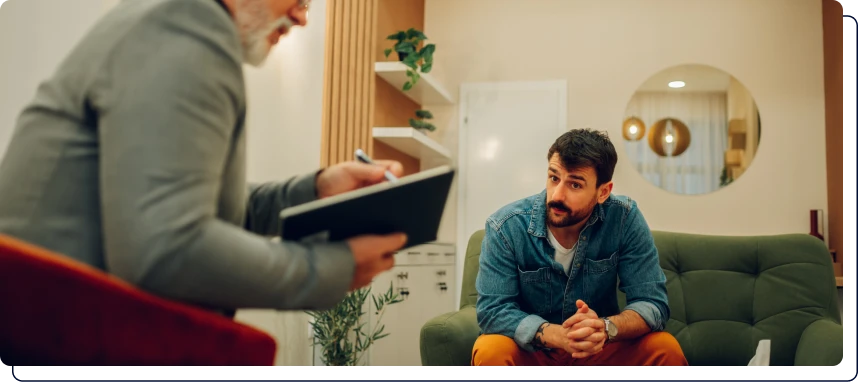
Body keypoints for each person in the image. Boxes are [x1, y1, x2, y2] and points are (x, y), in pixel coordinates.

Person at [0, 0, 407, 315]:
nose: (302, 18)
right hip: (53, 332)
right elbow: (167, 251)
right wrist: (331, 269)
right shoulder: (187, 31)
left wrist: (316, 189)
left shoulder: (174, 21)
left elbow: (199, 210)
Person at [471, 129, 688, 367]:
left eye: (575, 184)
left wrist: (605, 328)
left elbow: (653, 304)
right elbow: (492, 310)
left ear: (603, 191)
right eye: (554, 178)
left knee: (664, 348)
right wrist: (556, 335)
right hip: (534, 350)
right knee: (490, 349)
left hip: (599, 347)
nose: (557, 195)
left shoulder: (624, 218)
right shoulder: (505, 226)